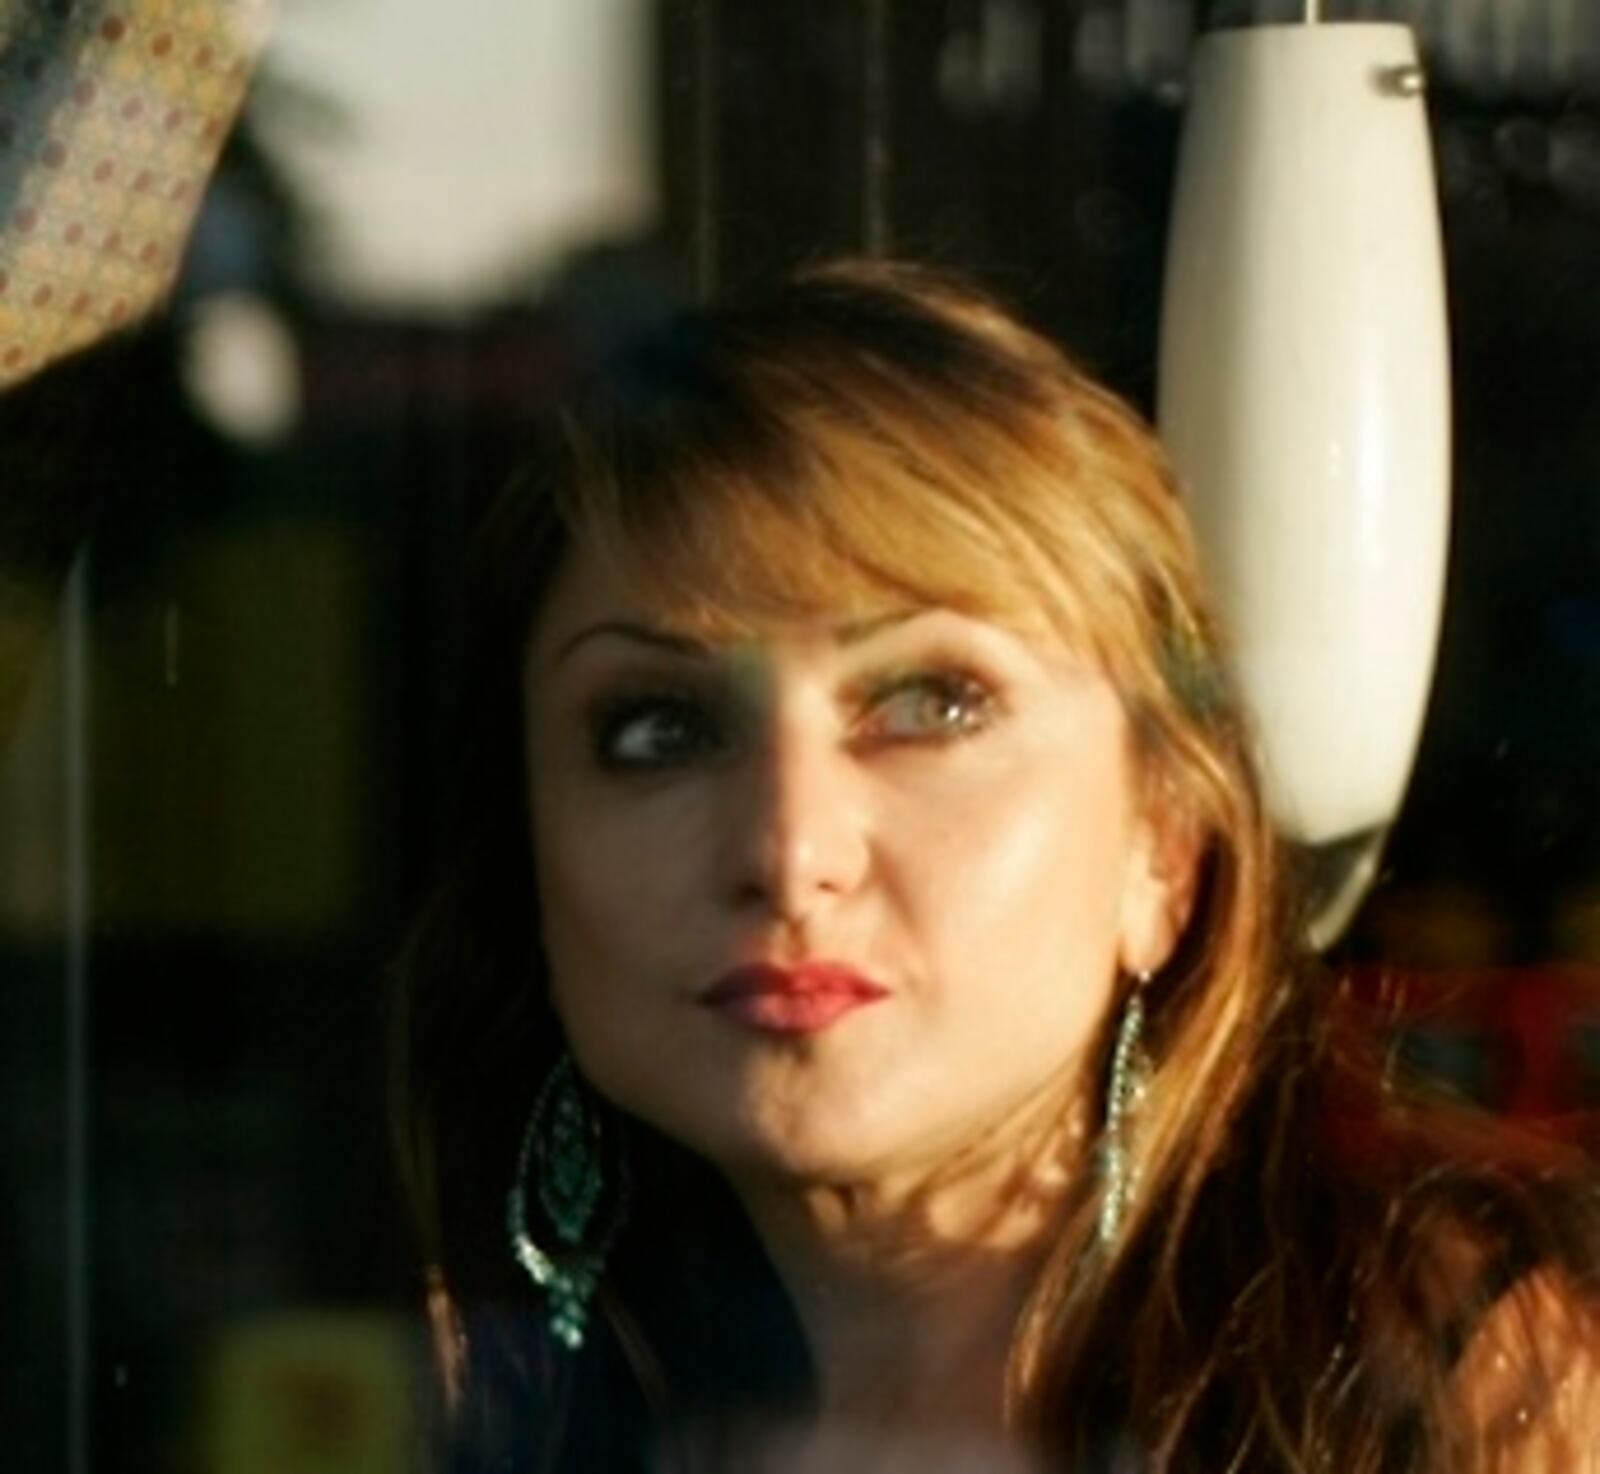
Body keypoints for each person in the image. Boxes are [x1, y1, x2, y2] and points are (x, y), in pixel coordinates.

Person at [390, 259, 1600, 1472]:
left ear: (1164, 845)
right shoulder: (499, 1411)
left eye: (930, 704)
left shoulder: (1448, 1375)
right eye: (659, 728)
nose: (789, 849)